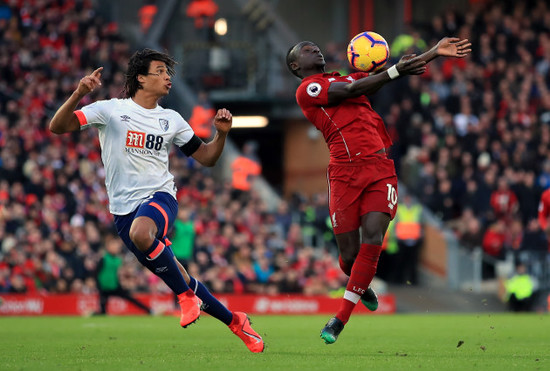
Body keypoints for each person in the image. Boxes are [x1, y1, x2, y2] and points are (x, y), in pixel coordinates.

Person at [49, 48, 264, 352]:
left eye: (168, 72)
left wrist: (221, 135)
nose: (167, 77)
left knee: (143, 236)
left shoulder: (171, 119)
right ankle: (235, 322)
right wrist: (78, 93)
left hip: (160, 197)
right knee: (182, 277)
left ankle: (186, 299)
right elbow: (57, 127)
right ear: (140, 77)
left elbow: (206, 158)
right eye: (160, 71)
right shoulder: (109, 110)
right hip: (123, 211)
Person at [286, 36, 471, 344]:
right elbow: (353, 89)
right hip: (344, 174)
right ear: (296, 65)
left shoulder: (342, 77)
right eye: (306, 49)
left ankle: (340, 318)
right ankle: (362, 284)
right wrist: (395, 71)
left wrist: (434, 53)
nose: (315, 48)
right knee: (348, 256)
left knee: (373, 237)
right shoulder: (308, 89)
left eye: (315, 46)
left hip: (379, 169)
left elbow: (377, 79)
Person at [95, 235, 152, 315]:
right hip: (103, 287)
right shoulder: (103, 259)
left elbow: (120, 273)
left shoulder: (118, 259)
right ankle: (99, 313)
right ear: (108, 247)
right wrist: (98, 286)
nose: (116, 248)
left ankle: (148, 310)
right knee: (103, 309)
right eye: (113, 245)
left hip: (114, 285)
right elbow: (96, 273)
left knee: (131, 298)